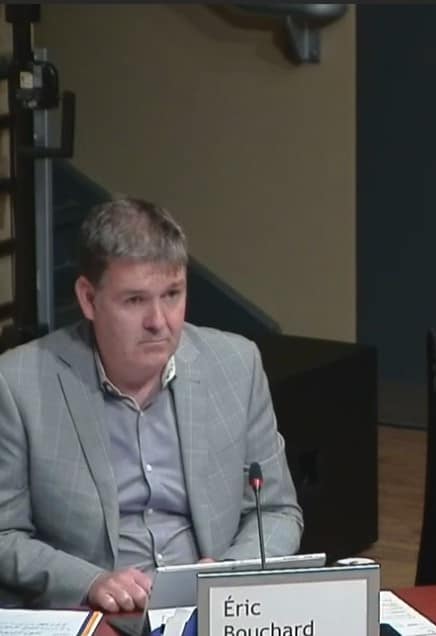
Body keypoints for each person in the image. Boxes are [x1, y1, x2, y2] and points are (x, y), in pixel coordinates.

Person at [0, 198, 303, 610]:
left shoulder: (237, 364)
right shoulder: (19, 383)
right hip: (95, 613)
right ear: (88, 299)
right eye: (135, 300)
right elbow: (5, 535)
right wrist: (90, 582)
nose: (159, 322)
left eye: (172, 294)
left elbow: (277, 512)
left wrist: (230, 573)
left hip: (212, 608)